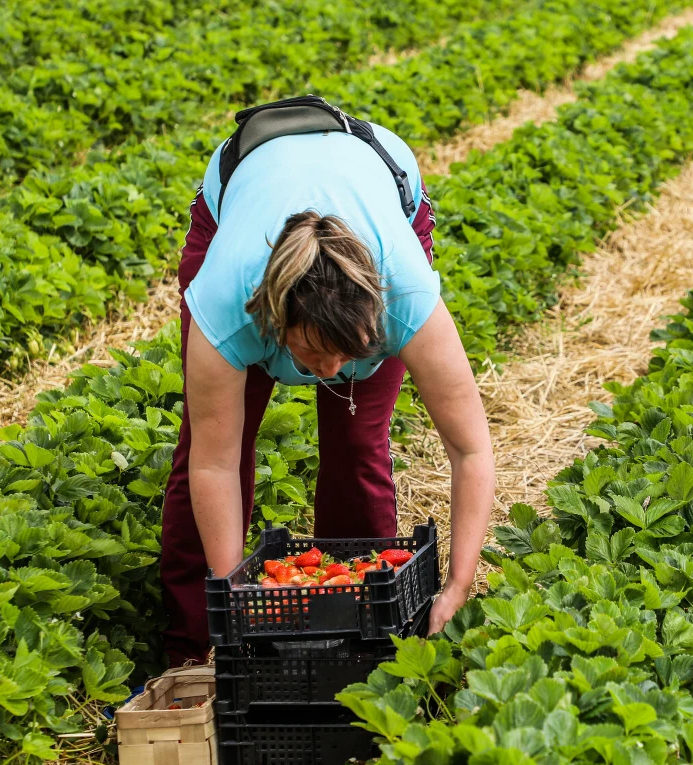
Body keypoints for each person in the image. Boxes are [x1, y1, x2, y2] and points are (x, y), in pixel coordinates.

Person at [160, 113, 495, 667]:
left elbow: (470, 448)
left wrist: (460, 582)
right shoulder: (225, 304)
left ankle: (355, 637)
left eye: (352, 351)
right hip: (237, 192)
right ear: (273, 319)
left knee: (357, 444)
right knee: (211, 441)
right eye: (315, 353)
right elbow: (214, 467)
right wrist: (231, 602)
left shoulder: (405, 292)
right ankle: (191, 650)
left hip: (381, 180)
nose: (334, 369)